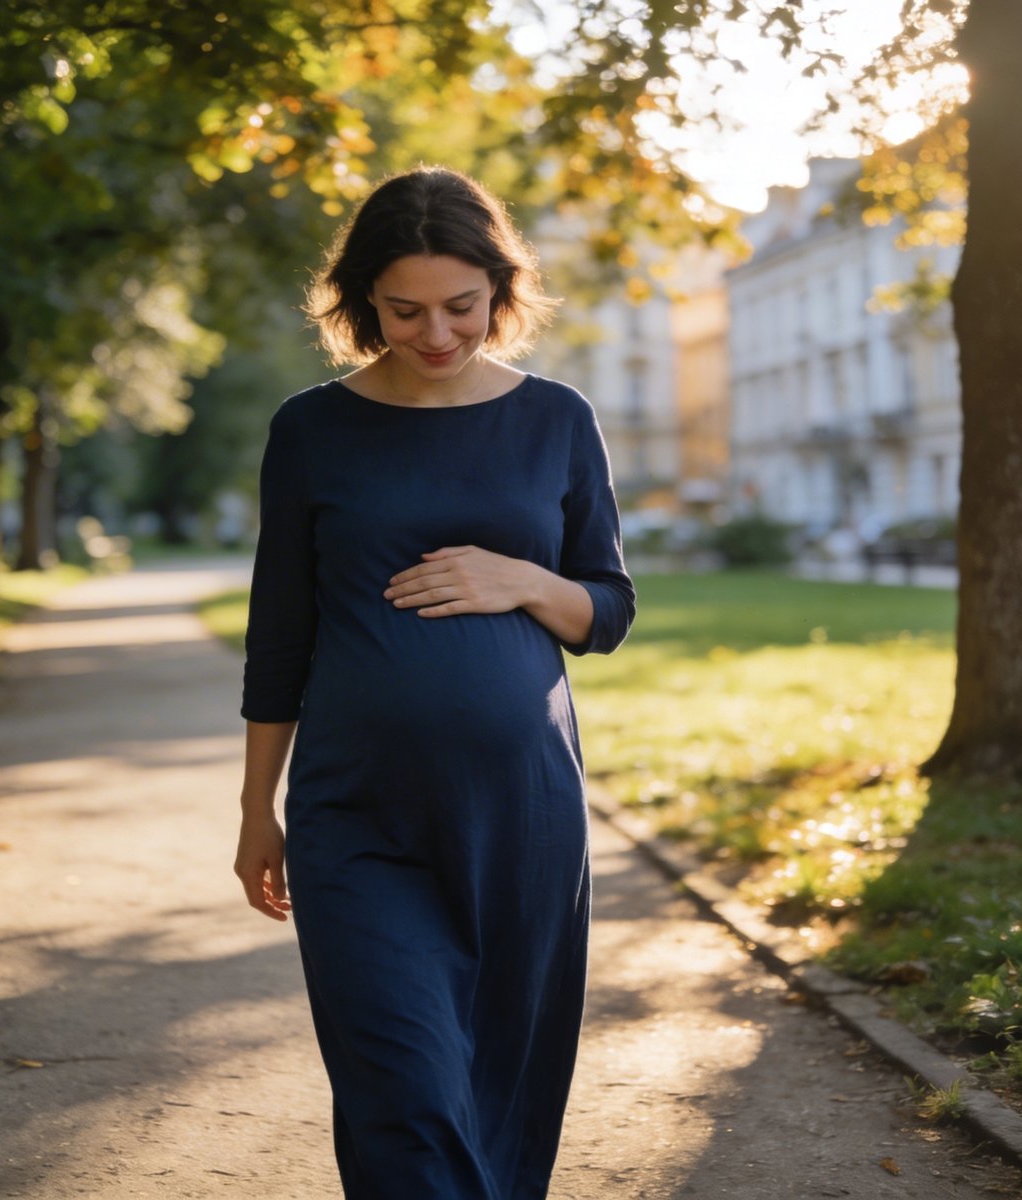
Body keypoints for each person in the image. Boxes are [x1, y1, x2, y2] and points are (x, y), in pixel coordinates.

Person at [235, 165, 636, 1199]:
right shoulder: (311, 429)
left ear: (500, 288)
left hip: (522, 815)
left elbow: (607, 609)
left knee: (503, 1087)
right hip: (356, 813)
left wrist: (524, 579)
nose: (438, 332)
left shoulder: (556, 419)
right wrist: (255, 807)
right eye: (404, 309)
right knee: (402, 1098)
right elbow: (280, 633)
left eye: (461, 305)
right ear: (362, 300)